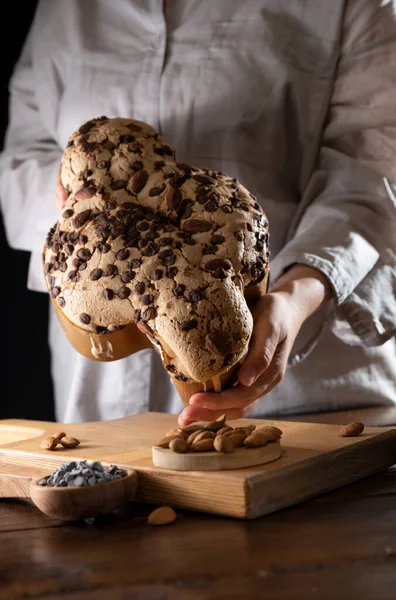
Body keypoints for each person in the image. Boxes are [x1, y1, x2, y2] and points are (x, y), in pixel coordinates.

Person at [0, 0, 395, 426]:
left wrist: (296, 296)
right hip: (103, 410)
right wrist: (81, 211)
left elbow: (374, 179)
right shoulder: (63, 9)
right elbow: (25, 156)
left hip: (305, 401)